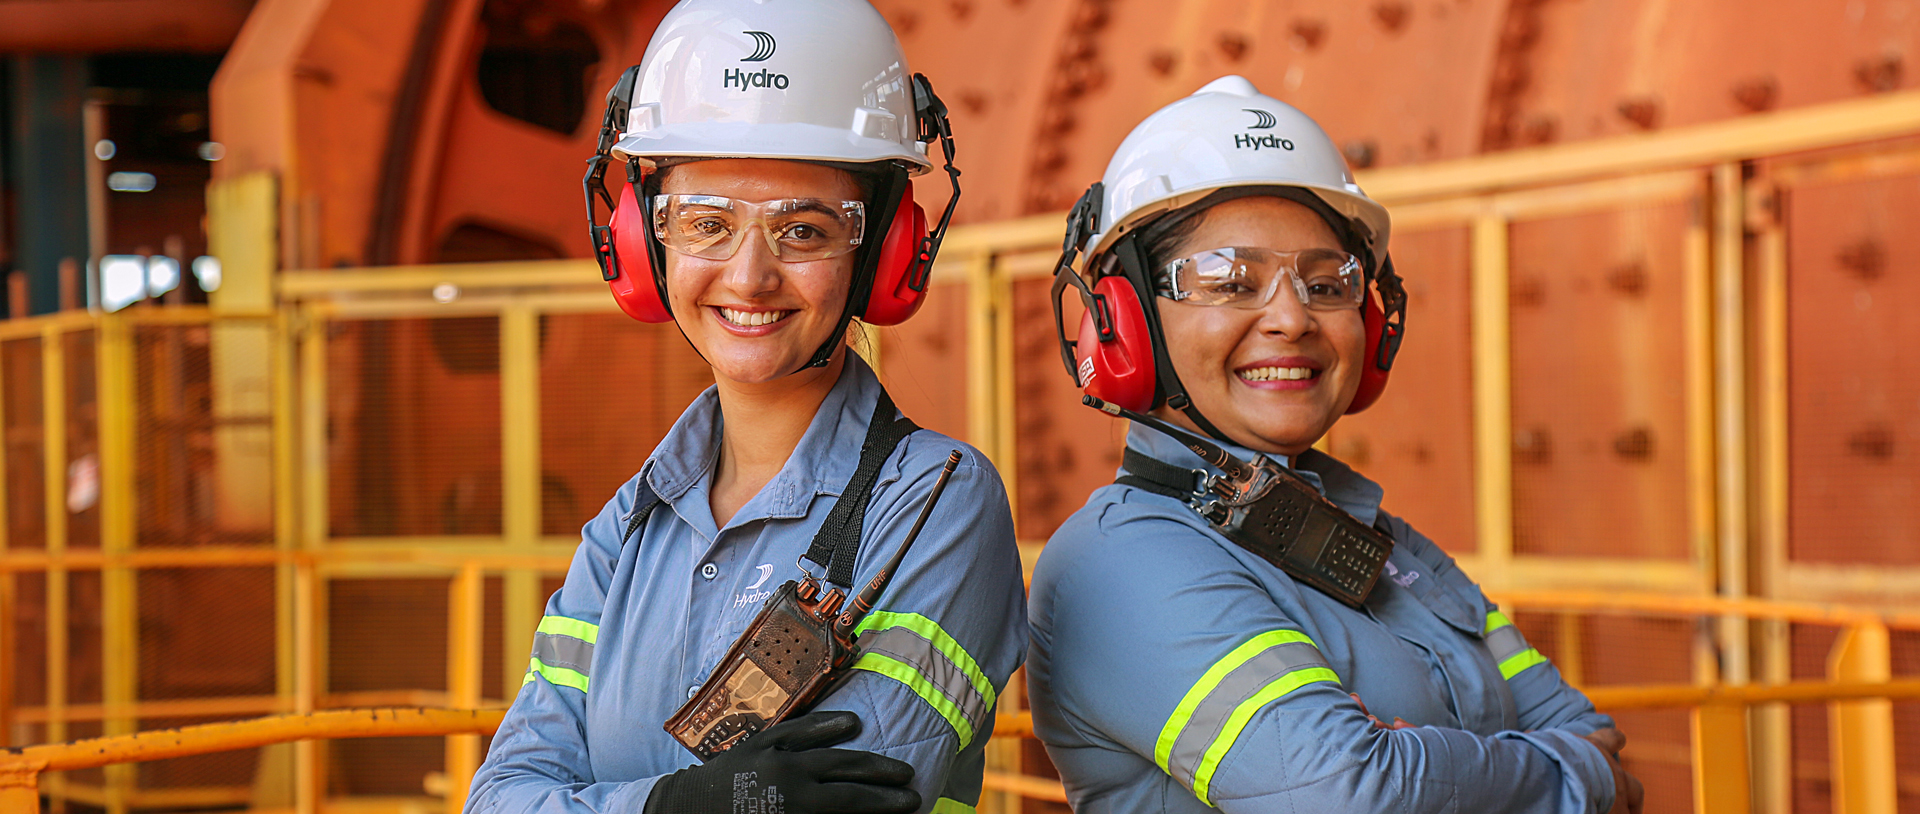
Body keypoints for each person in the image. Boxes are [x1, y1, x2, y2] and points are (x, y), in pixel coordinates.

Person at [1026, 75, 1645, 814]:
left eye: (1328, 284)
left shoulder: (1379, 536)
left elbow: (1583, 726)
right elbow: (1351, 796)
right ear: (1123, 322)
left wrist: (1413, 762)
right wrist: (1574, 777)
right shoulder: (1121, 565)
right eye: (1229, 280)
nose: (1293, 318)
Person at [468, 3, 1026, 814]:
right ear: (641, 245)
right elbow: (498, 800)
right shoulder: (628, 528)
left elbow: (851, 801)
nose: (750, 276)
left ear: (881, 254)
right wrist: (681, 805)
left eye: (803, 231)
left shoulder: (936, 506)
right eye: (706, 225)